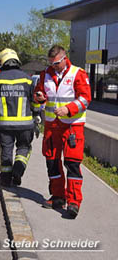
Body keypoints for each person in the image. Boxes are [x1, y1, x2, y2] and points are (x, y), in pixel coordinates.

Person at [33, 45, 91, 219]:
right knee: (52, 162)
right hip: (52, 127)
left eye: (56, 63)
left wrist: (69, 108)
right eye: (51, 63)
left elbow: (85, 98)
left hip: (72, 126)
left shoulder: (78, 73)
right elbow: (38, 96)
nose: (54, 66)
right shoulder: (45, 74)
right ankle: (58, 197)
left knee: (72, 164)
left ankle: (74, 202)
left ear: (64, 58)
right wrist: (39, 97)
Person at [0, 48, 40, 187]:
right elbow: (35, 101)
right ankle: (18, 170)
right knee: (24, 148)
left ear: (2, 62)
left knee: (6, 150)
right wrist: (37, 116)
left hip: (5, 125)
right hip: (26, 125)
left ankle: (6, 179)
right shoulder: (28, 79)